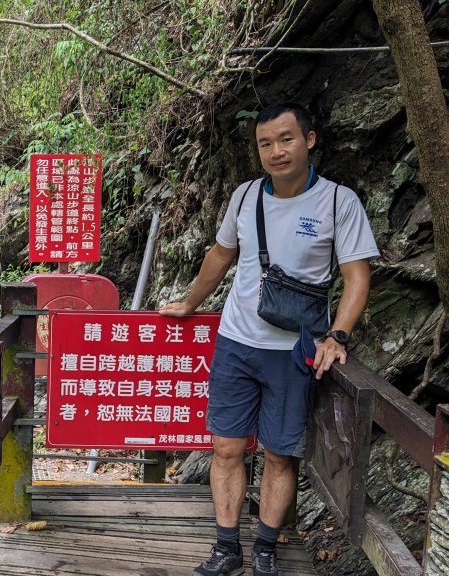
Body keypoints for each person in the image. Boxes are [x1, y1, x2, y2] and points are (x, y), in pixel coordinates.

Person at [159, 102, 379, 576]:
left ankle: (264, 547)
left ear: (309, 140)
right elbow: (220, 257)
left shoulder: (338, 202)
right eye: (265, 143)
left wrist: (337, 335)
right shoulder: (244, 197)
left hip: (293, 352)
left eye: (286, 139)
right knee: (226, 448)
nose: (276, 151)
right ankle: (226, 548)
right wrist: (191, 304)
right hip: (236, 342)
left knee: (280, 454)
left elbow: (356, 276)